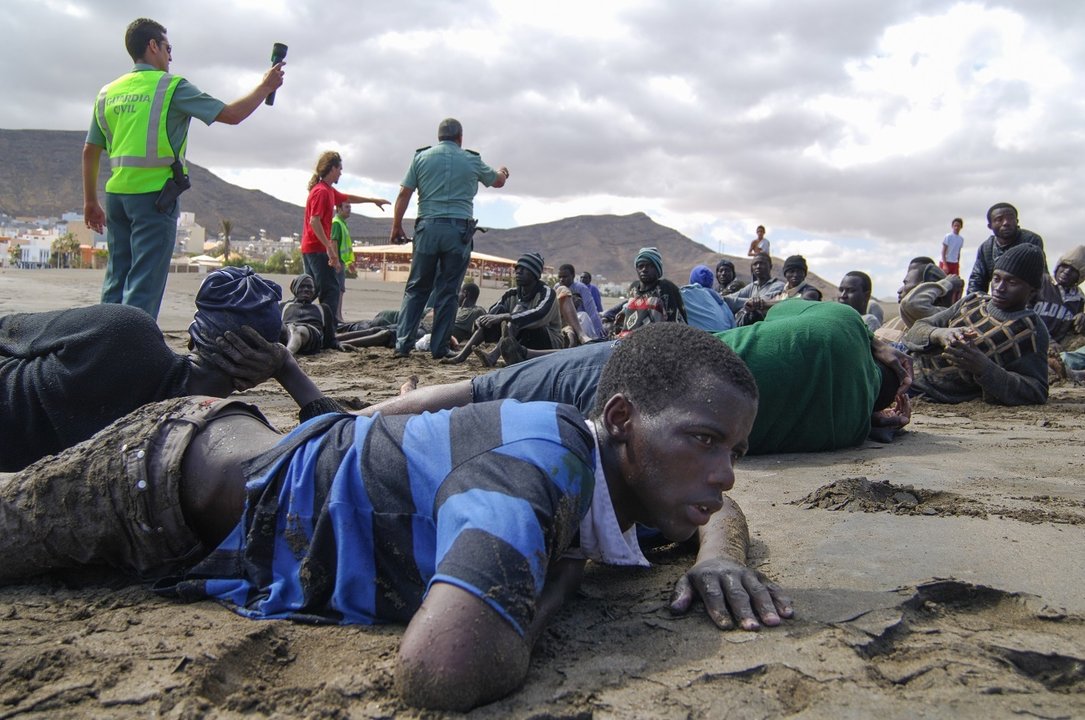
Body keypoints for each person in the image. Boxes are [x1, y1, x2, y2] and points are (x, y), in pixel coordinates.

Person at [0, 323, 791, 712]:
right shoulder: (539, 467)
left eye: (735, 450)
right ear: (620, 421)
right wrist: (557, 582)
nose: (722, 474)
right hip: (159, 475)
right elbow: (438, 673)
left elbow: (712, 507)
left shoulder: (624, 478)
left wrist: (719, 557)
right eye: (702, 441)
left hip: (231, 495)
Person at [366, 299, 912, 455]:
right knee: (501, 423)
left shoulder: (841, 324)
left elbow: (775, 315)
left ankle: (357, 420)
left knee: (483, 388)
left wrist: (873, 340)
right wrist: (882, 420)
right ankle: (410, 416)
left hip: (637, 364)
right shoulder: (847, 430)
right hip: (641, 434)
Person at [0, 266, 325, 471]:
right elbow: (342, 445)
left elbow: (8, 330)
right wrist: (286, 368)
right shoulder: (208, 437)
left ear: (190, 339)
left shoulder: (125, 331)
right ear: (251, 380)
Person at [82, 18, 285, 319]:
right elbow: (231, 114)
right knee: (144, 283)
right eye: (168, 47)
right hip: (154, 198)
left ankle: (100, 343)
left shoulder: (107, 93)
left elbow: (90, 151)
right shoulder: (171, 87)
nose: (170, 56)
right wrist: (265, 86)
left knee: (116, 279)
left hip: (116, 199)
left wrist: (90, 202)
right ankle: (129, 354)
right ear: (153, 46)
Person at [391, 118, 509, 360]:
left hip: (427, 229)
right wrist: (503, 172)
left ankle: (403, 344)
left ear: (438, 137)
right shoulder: (471, 160)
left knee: (416, 288)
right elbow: (496, 182)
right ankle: (439, 347)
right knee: (448, 291)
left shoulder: (421, 158)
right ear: (460, 138)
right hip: (458, 233)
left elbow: (404, 192)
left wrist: (396, 226)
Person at [905, 244, 1049, 405]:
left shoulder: (1031, 331)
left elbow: (1037, 391)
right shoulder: (973, 300)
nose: (999, 288)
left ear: (1032, 291)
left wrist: (984, 368)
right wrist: (940, 334)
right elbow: (914, 331)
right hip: (904, 364)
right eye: (996, 278)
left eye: (1012, 282)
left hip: (928, 391)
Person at [301, 152, 389, 325]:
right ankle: (329, 332)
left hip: (311, 248)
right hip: (317, 249)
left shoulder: (328, 190)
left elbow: (348, 198)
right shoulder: (321, 192)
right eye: (340, 169)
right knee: (331, 289)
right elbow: (314, 221)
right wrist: (328, 247)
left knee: (313, 290)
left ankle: (301, 320)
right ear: (332, 168)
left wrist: (373, 200)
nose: (341, 173)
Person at [445, 252, 560, 365]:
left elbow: (539, 315)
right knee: (496, 312)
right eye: (518, 268)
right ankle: (461, 356)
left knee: (516, 312)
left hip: (547, 341)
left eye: (524, 269)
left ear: (536, 275)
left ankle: (494, 356)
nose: (518, 271)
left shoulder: (547, 293)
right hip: (521, 339)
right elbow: (494, 311)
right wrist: (482, 320)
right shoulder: (511, 293)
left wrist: (506, 316)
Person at [875, 260, 963, 344]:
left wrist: (945, 283)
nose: (900, 290)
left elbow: (911, 304)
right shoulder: (901, 320)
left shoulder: (939, 316)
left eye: (906, 283)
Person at [967, 203, 1045, 294]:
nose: (1006, 223)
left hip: (1024, 300)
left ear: (1017, 221)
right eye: (999, 220)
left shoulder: (1030, 241)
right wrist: (973, 303)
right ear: (990, 226)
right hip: (998, 299)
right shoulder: (986, 247)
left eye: (1010, 218)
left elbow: (1035, 279)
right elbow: (977, 280)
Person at [614, 247, 687, 336]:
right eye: (641, 266)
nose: (644, 269)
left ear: (657, 269)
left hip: (652, 342)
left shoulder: (665, 287)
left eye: (650, 266)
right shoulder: (633, 288)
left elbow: (675, 322)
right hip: (624, 340)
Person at [281, 274, 339, 355]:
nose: (306, 289)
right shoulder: (284, 306)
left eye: (310, 287)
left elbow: (330, 339)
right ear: (295, 289)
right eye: (302, 286)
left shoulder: (323, 308)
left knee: (296, 329)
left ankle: (287, 355)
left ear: (314, 290)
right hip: (286, 331)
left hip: (310, 335)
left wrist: (337, 344)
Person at [725, 253, 784, 324]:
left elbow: (760, 302)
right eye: (755, 264)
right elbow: (734, 297)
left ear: (770, 267)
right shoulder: (752, 286)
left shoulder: (778, 285)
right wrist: (721, 299)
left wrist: (750, 303)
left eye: (762, 263)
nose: (758, 266)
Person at [680, 264, 735, 332]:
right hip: (724, 339)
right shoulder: (721, 302)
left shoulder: (685, 294)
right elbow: (733, 327)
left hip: (700, 339)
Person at [557, 263, 604, 340]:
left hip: (580, 322)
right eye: (560, 277)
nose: (561, 279)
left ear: (573, 276)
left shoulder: (581, 288)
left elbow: (591, 310)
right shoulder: (557, 287)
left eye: (565, 277)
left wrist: (599, 331)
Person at [331, 201, 355, 323]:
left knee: (341, 289)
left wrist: (349, 262)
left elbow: (345, 246)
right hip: (338, 261)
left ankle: (338, 315)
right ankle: (337, 316)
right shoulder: (336, 223)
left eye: (350, 207)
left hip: (342, 261)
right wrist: (335, 260)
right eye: (346, 207)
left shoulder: (343, 224)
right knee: (338, 289)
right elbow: (333, 241)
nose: (349, 209)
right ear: (339, 209)